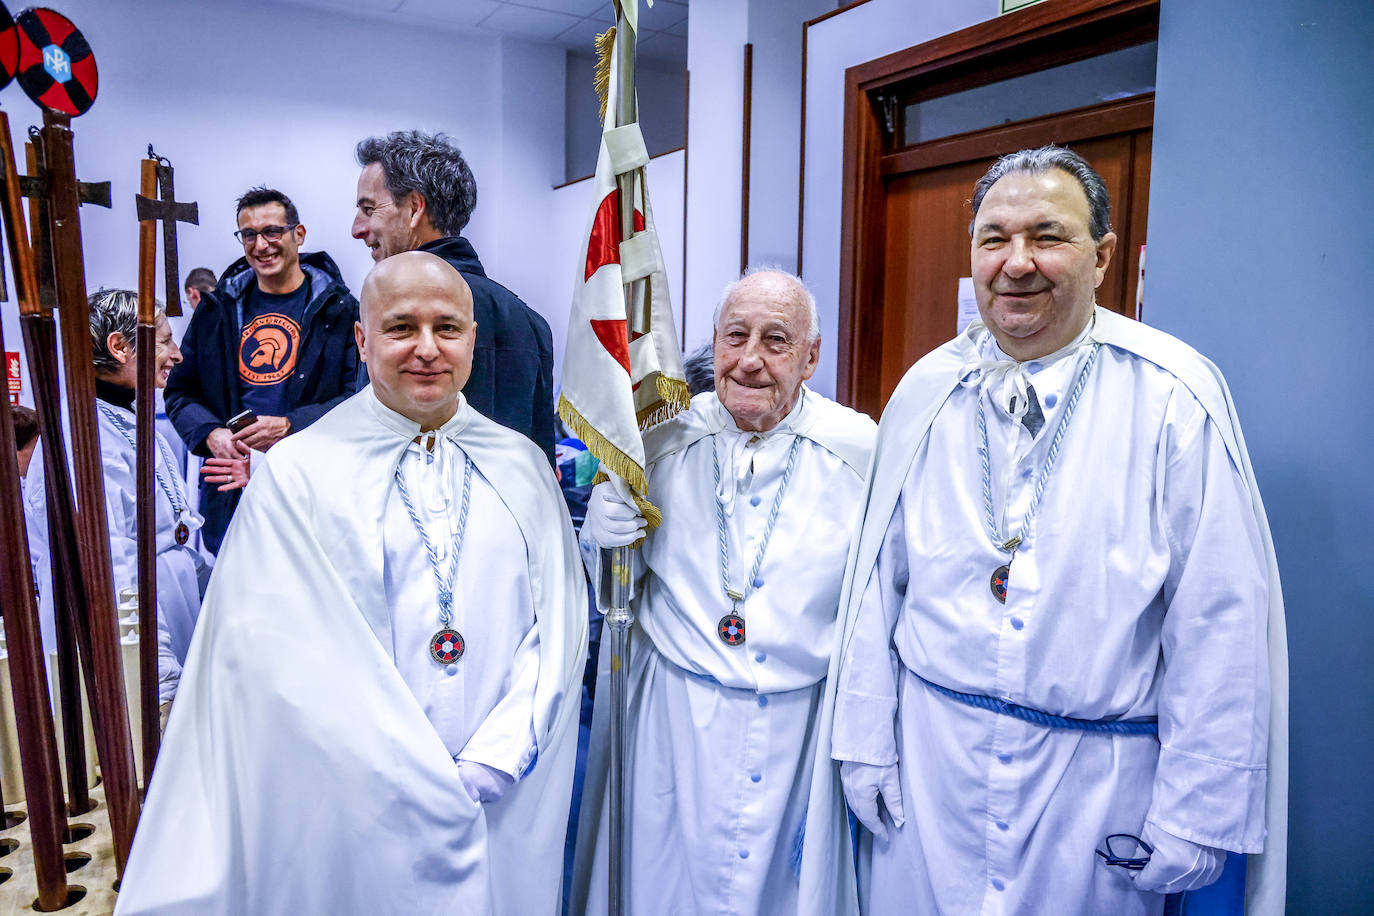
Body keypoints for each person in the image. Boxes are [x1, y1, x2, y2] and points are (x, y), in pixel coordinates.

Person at [805, 146, 1286, 916]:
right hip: (934, 773)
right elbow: (875, 590)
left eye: (1047, 236)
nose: (1016, 263)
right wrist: (863, 740)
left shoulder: (1171, 395)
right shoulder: (927, 391)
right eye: (994, 238)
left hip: (1093, 790)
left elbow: (1219, 616)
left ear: (1101, 256)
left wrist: (1197, 810)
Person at [117, 252, 587, 915]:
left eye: (447, 328)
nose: (427, 348)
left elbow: (559, 625)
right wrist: (406, 772)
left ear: (472, 339)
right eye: (401, 327)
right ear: (364, 341)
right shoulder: (298, 473)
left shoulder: (522, 468)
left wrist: (497, 756)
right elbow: (272, 658)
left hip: (499, 791)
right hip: (358, 799)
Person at [571, 268, 877, 915]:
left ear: (812, 356)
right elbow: (613, 592)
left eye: (776, 341)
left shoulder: (861, 449)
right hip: (672, 724)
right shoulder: (660, 437)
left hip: (797, 730)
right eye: (735, 337)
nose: (749, 361)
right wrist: (601, 540)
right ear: (714, 342)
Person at [26, 290, 208, 718]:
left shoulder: (129, 421)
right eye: (164, 340)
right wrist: (155, 675)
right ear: (119, 347)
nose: (177, 355)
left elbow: (171, 536)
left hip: (170, 617)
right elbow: (111, 567)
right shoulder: (89, 441)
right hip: (135, 652)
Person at [164, 187, 359, 553]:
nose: (260, 245)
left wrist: (291, 426)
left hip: (309, 490)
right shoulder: (216, 311)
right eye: (249, 235)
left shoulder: (340, 311)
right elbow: (179, 391)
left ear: (298, 235)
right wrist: (210, 434)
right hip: (233, 493)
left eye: (272, 231)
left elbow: (357, 400)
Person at [352, 130, 556, 464]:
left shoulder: (386, 316)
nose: (357, 228)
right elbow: (540, 463)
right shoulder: (531, 322)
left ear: (415, 208)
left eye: (369, 208)